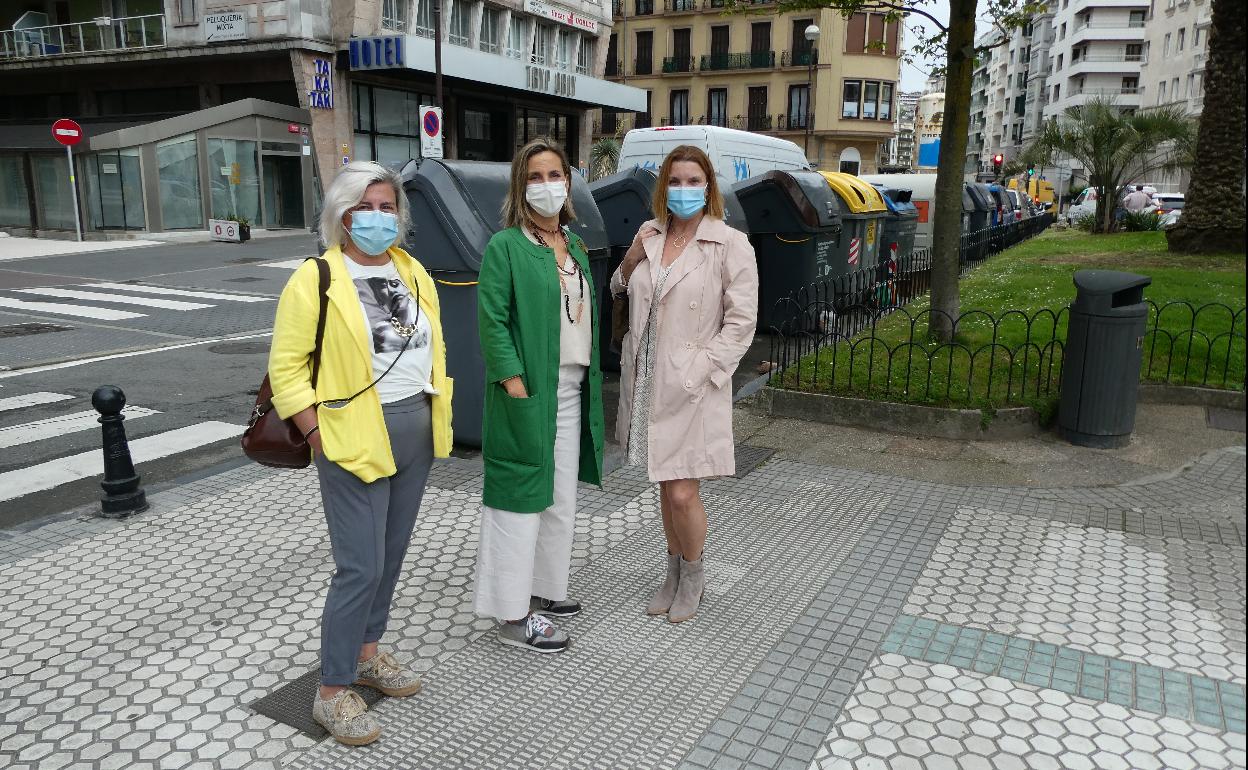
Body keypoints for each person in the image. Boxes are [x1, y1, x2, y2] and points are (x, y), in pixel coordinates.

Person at [268, 161, 453, 746]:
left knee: (391, 556)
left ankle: (368, 654)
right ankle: (331, 690)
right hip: (349, 433)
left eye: (387, 207)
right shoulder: (318, 278)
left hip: (413, 427)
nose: (378, 218)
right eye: (364, 208)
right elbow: (287, 369)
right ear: (342, 216)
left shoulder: (412, 270)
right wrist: (318, 434)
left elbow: (429, 346)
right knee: (360, 565)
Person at [610, 145, 758, 624]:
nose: (684, 190)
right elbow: (618, 288)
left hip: (693, 381)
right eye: (676, 181)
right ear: (663, 187)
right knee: (662, 481)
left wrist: (707, 369)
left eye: (694, 182)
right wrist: (632, 257)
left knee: (682, 492)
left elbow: (742, 321)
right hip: (650, 375)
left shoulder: (730, 244)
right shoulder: (651, 235)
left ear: (709, 188)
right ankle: (671, 571)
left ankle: (693, 574)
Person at [472, 138, 605, 653]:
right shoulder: (506, 246)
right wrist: (514, 382)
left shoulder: (573, 246)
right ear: (520, 186)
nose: (546, 184)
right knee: (519, 499)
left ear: (568, 183)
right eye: (535, 176)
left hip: (571, 388)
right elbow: (492, 321)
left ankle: (546, 589)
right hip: (527, 392)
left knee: (560, 497)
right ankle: (511, 614)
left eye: (555, 174)